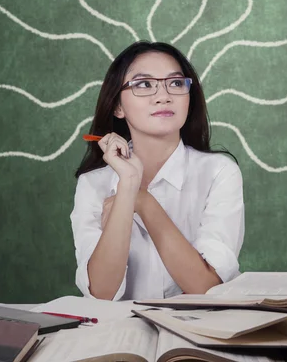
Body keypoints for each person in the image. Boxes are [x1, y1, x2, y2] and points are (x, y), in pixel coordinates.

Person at [70, 41, 244, 301]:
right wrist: (128, 184)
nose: (163, 95)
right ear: (117, 106)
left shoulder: (219, 172)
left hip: (199, 334)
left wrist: (143, 201)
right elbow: (101, 294)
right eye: (144, 84)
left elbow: (206, 287)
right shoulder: (92, 184)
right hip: (118, 335)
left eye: (175, 83)